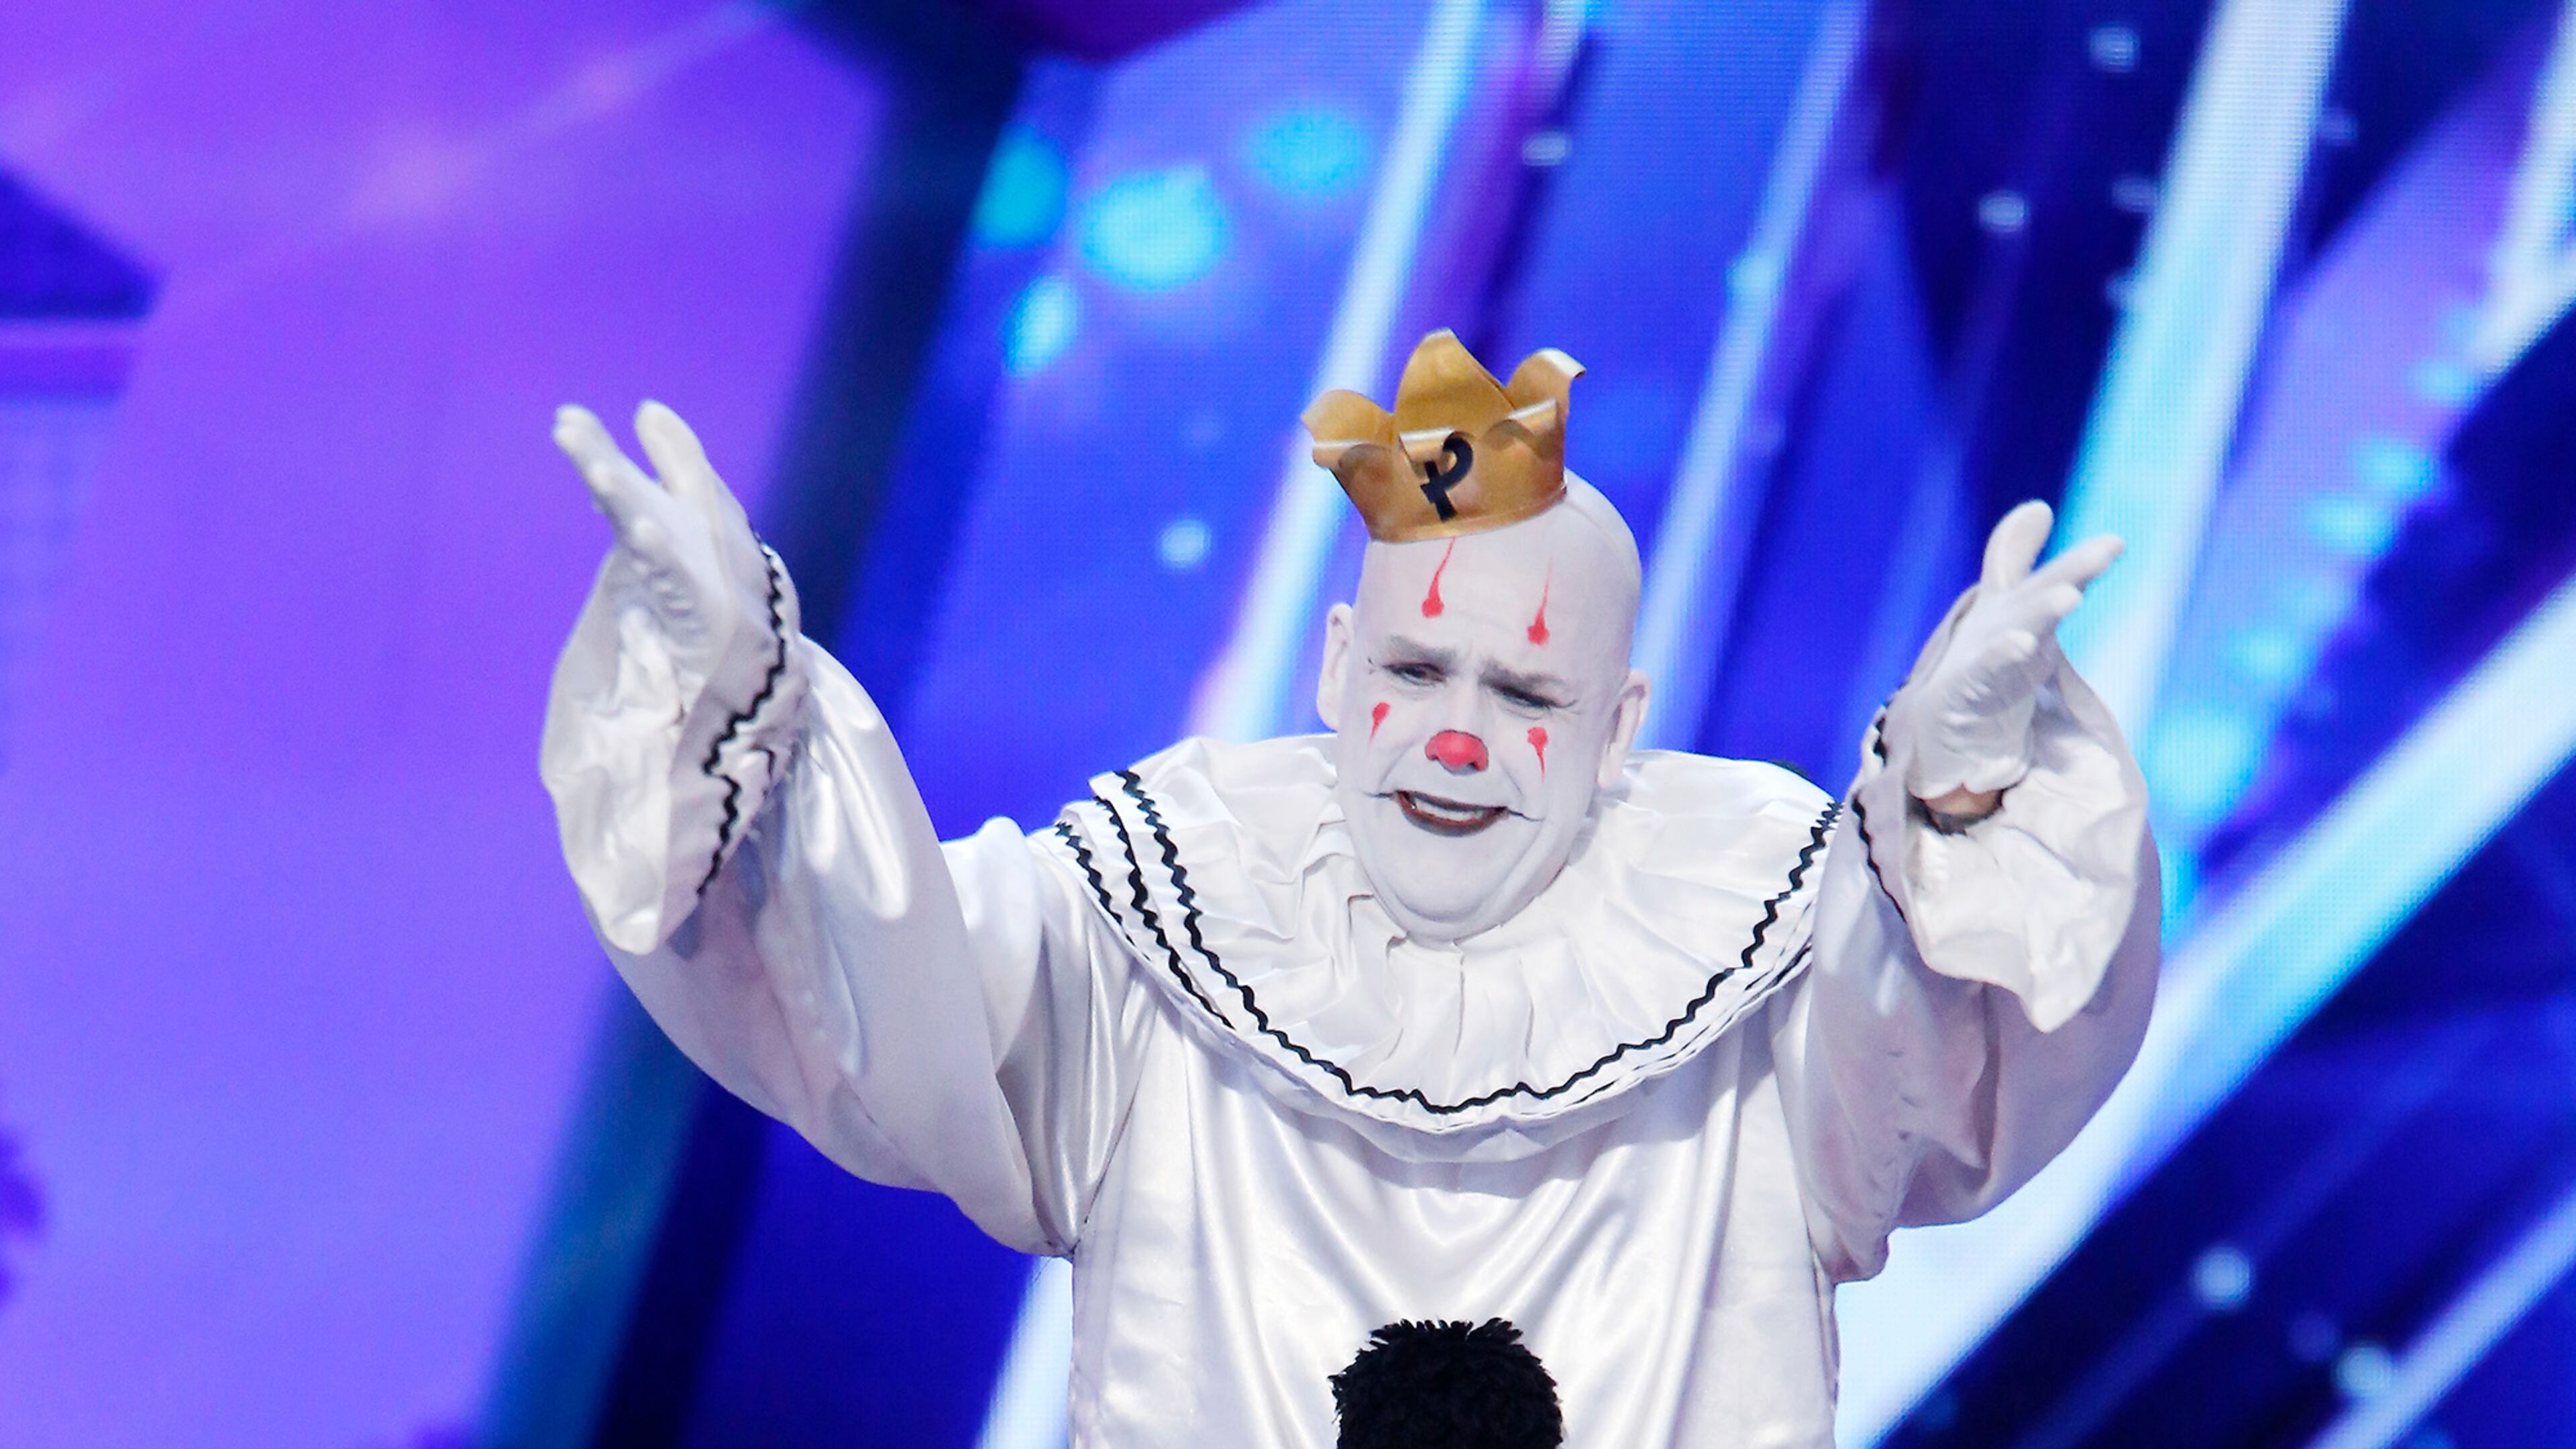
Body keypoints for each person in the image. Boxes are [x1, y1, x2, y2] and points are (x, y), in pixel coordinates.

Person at [540, 330, 2157, 1447]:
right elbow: (884, 1003)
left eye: (1525, 695)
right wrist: (747, 708)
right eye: (1415, 671)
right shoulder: (1161, 913)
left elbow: (1950, 1080)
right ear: (1333, 665)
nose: (1456, 739)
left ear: (1621, 730)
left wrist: (1960, 800)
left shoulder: (1768, 945)